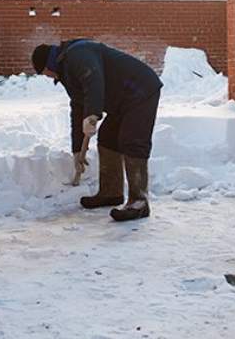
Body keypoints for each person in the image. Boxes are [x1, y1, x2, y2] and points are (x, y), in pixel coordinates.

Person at [32, 40, 162, 222]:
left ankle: (139, 201)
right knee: (108, 137)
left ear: (48, 64)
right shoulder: (66, 72)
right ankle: (111, 192)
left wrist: (92, 114)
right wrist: (77, 150)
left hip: (139, 89)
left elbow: (93, 79)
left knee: (132, 140)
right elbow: (78, 106)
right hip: (122, 99)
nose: (48, 77)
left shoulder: (77, 54)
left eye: (45, 73)